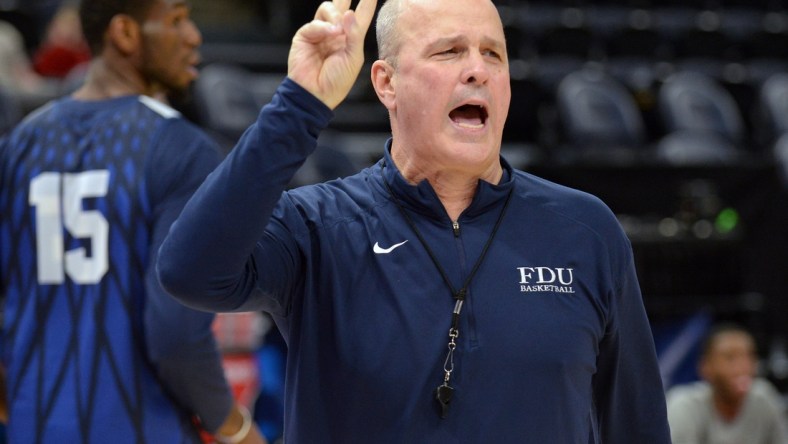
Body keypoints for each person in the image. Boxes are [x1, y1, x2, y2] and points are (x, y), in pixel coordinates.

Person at [157, 0, 671, 442]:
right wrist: (300, 104)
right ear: (386, 83)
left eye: (493, 53)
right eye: (449, 51)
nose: (478, 70)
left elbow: (638, 426)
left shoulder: (585, 230)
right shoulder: (317, 225)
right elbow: (189, 270)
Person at [0, 0, 266, 443]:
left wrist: (22, 403)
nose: (193, 37)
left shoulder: (19, 145)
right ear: (125, 34)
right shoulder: (181, 147)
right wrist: (233, 427)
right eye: (177, 20)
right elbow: (175, 334)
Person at [666, 323, 788, 444]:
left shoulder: (764, 398)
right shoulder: (684, 405)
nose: (743, 366)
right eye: (730, 358)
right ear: (706, 366)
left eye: (749, 356)